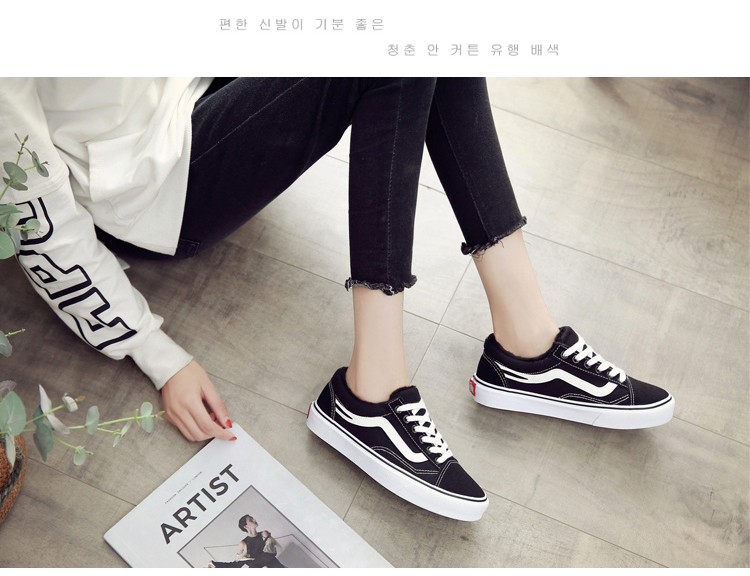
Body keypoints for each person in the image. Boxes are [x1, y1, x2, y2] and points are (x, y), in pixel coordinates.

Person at [0, 78, 674, 522]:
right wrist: (157, 354)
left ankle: (526, 342)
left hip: (203, 84)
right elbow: (38, 218)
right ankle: (369, 393)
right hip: (155, 186)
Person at [208, 514, 284, 568]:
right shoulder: (243, 544)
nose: (254, 520)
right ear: (246, 526)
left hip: (275, 566)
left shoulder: (264, 534)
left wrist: (254, 565)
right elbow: (236, 565)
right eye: (251, 520)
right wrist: (215, 565)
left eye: (253, 519)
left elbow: (270, 553)